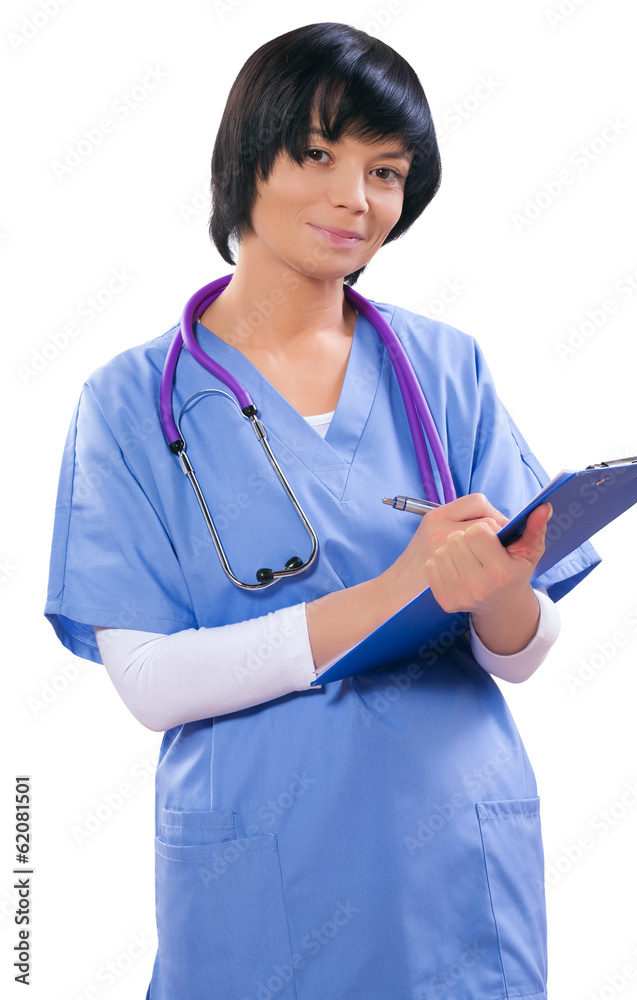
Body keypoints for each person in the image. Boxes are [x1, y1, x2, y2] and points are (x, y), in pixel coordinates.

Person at [45, 22, 599, 1000]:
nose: (356, 198)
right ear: (246, 161)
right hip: (263, 873)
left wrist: (501, 593)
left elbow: (517, 651)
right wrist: (393, 594)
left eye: (385, 172)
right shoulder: (132, 403)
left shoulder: (444, 369)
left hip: (455, 872)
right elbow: (151, 682)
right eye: (317, 154)